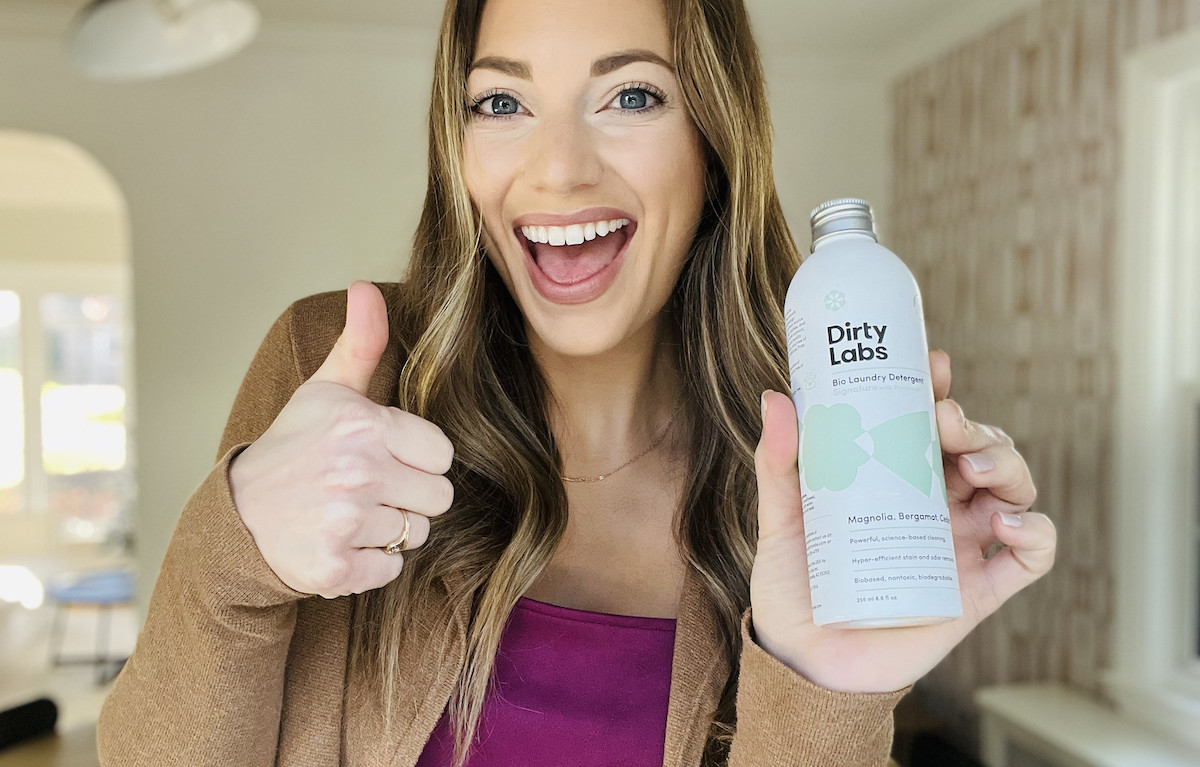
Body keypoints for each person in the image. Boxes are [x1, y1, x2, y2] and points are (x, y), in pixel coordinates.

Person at [96, 0, 1056, 764]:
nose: (557, 169)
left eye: (632, 96)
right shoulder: (338, 366)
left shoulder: (814, 467)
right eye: (501, 102)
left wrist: (828, 689)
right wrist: (232, 551)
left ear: (712, 143)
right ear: (458, 146)